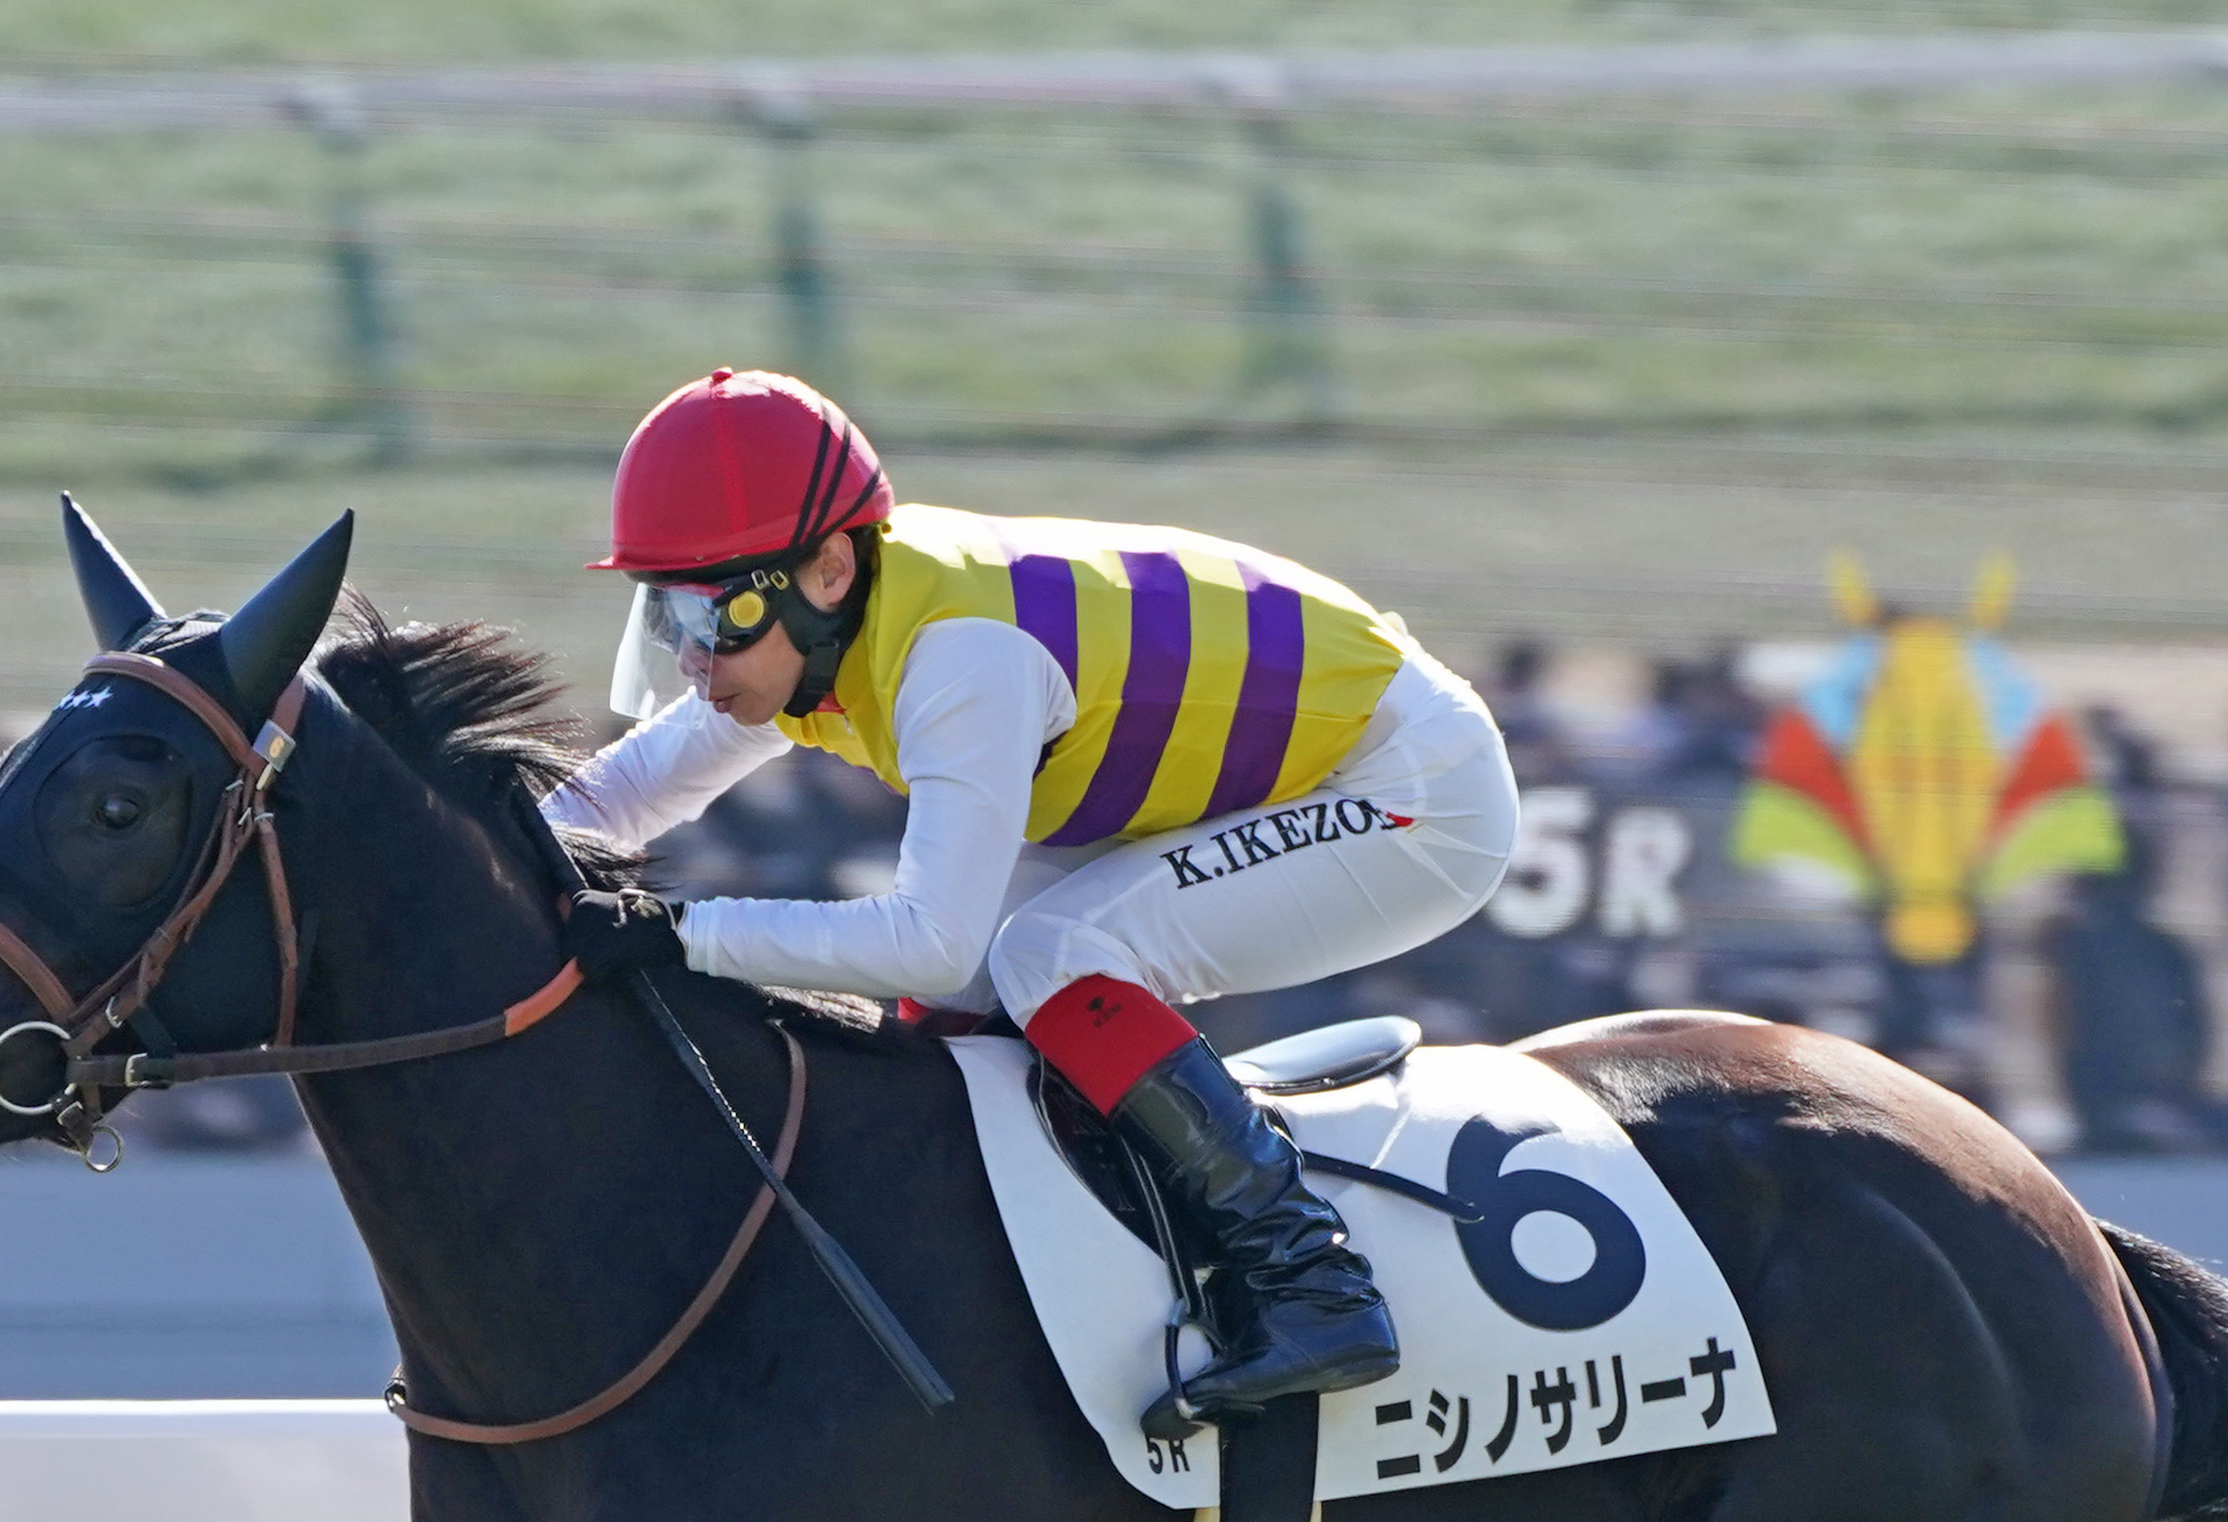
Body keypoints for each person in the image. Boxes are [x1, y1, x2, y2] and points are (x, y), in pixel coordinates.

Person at [537, 368, 1520, 1436]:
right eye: (663, 610)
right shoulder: (809, 627)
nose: (689, 656)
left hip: (1411, 794)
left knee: (1046, 954)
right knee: (984, 978)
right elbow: (622, 793)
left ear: (825, 569)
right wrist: (486, 860)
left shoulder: (957, 657)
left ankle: (1312, 1284)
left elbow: (922, 938)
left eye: (709, 610)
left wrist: (681, 933)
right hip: (1283, 766)